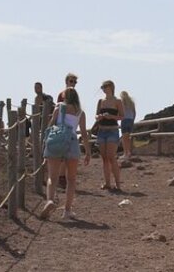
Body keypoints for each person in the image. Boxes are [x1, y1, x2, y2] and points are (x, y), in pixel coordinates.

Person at [39, 87, 91, 220]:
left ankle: (50, 200)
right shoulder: (80, 113)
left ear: (65, 96)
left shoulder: (59, 108)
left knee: (52, 177)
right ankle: (67, 210)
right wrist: (88, 151)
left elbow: (50, 126)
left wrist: (45, 143)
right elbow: (84, 133)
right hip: (72, 142)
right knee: (71, 179)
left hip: (56, 140)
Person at [96, 80, 124, 191]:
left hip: (112, 130)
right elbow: (96, 114)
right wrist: (99, 117)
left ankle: (118, 184)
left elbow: (122, 116)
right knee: (104, 158)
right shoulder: (101, 101)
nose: (103, 89)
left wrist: (111, 116)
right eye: (102, 87)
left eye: (105, 87)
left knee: (111, 157)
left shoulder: (118, 101)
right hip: (102, 130)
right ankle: (107, 183)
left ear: (111, 87)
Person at [55, 72, 79, 188]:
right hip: (61, 128)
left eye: (75, 82)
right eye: (71, 81)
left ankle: (62, 177)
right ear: (66, 82)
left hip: (70, 130)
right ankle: (60, 177)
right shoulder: (62, 95)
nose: (73, 83)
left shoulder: (74, 95)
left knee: (66, 156)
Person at [119, 91, 136, 161]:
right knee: (128, 138)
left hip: (125, 120)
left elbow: (120, 112)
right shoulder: (132, 102)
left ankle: (125, 153)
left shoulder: (122, 102)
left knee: (124, 138)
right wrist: (133, 120)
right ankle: (128, 152)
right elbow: (134, 112)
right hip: (131, 120)